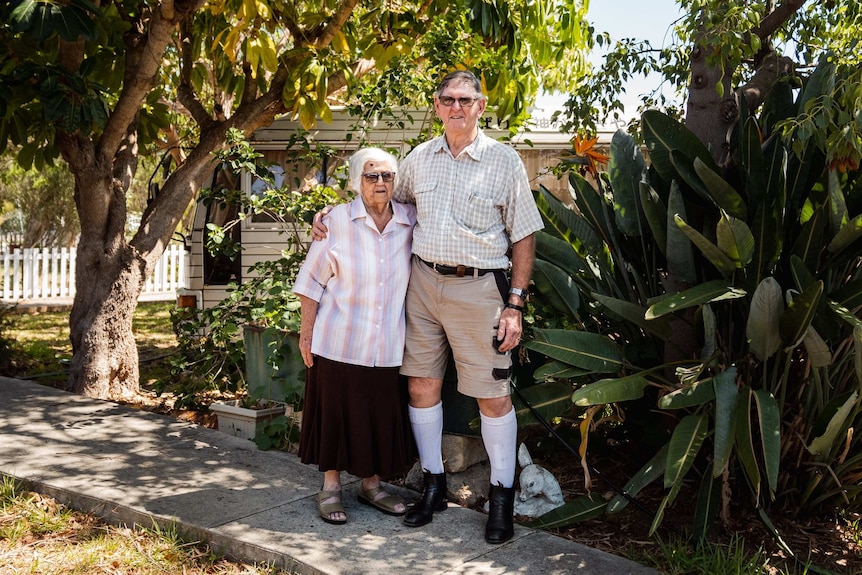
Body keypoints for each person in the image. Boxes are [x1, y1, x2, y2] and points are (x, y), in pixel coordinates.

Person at [313, 70, 543, 544]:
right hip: (421, 284)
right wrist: (329, 216)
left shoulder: (504, 162)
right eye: (447, 99)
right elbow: (378, 199)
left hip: (479, 288)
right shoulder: (419, 159)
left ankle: (502, 498)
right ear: (436, 106)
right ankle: (434, 487)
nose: (456, 107)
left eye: (465, 99)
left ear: (481, 105)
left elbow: (524, 233)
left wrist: (514, 303)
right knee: (420, 386)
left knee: (491, 395)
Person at [293, 147, 416, 525]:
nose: (380, 183)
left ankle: (372, 485)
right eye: (371, 175)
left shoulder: (410, 219)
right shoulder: (336, 222)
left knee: (378, 414)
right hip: (338, 339)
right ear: (355, 181)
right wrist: (306, 335)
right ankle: (331, 487)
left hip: (387, 344)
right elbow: (311, 282)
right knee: (336, 415)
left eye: (387, 176)